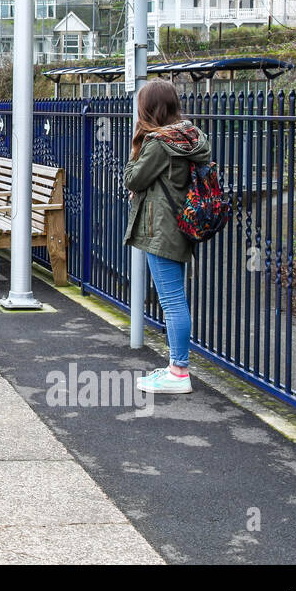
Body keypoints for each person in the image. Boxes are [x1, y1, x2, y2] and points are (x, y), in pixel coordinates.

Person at [122, 79, 212, 394]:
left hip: (161, 229)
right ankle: (177, 366)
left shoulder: (159, 142)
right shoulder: (190, 136)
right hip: (183, 223)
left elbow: (133, 178)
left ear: (149, 109)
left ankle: (179, 372)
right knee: (175, 299)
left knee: (172, 301)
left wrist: (138, 140)